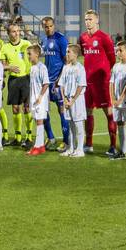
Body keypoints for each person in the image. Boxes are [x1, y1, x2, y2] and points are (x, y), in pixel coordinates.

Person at [78, 9, 116, 155]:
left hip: (102, 83)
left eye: (90, 19)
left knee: (109, 113)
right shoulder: (83, 38)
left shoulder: (104, 38)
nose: (88, 22)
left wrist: (105, 74)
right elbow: (85, 56)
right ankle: (89, 143)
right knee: (88, 112)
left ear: (97, 20)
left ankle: (113, 145)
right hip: (88, 82)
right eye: (86, 19)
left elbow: (112, 59)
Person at [39, 17, 69, 150]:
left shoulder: (61, 39)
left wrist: (60, 80)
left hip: (58, 82)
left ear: (54, 26)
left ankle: (66, 141)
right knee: (43, 111)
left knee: (62, 110)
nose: (48, 28)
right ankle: (51, 138)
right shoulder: (44, 41)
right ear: (43, 27)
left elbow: (66, 61)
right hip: (46, 81)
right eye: (46, 27)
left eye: (50, 26)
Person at [0, 21, 31, 147]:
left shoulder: (26, 44)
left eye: (18, 31)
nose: (17, 33)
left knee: (27, 107)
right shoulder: (5, 47)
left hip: (26, 79)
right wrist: (9, 67)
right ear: (8, 33)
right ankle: (18, 137)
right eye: (14, 31)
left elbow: (34, 58)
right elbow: (1, 65)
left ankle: (29, 137)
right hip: (13, 80)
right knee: (15, 108)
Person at [58, 46, 87, 157]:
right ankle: (71, 148)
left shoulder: (80, 68)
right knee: (70, 125)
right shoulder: (66, 68)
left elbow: (81, 85)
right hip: (67, 100)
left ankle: (80, 150)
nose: (67, 54)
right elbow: (61, 84)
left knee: (78, 124)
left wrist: (73, 100)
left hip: (77, 100)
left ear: (75, 54)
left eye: (68, 52)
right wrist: (64, 99)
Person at [26, 44, 51, 156]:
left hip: (41, 100)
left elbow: (46, 83)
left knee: (40, 121)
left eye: (29, 54)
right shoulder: (32, 68)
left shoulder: (42, 67)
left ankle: (38, 146)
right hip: (34, 100)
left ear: (36, 54)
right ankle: (40, 146)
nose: (28, 56)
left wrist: (40, 97)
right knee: (37, 121)